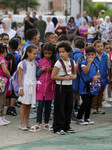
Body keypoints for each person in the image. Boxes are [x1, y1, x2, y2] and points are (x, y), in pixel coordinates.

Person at [30, 42, 56, 132]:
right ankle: (38, 123)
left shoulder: (54, 62)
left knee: (48, 106)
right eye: (46, 53)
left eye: (49, 53)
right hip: (41, 88)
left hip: (50, 87)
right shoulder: (39, 62)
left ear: (53, 53)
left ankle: (46, 123)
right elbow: (36, 74)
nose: (48, 55)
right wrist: (42, 69)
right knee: (40, 106)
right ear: (43, 53)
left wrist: (52, 70)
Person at [51, 41, 76, 135]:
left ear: (68, 52)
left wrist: (74, 76)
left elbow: (75, 73)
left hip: (69, 86)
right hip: (61, 87)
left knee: (69, 107)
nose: (61, 54)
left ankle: (66, 126)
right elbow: (53, 76)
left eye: (63, 52)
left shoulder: (72, 62)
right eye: (59, 52)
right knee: (59, 107)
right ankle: (58, 127)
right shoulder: (58, 63)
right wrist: (64, 78)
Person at [77, 46, 101, 125]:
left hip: (92, 86)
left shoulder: (95, 64)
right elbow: (85, 72)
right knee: (85, 102)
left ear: (95, 55)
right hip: (84, 86)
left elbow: (99, 75)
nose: (90, 56)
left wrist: (97, 77)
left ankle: (87, 117)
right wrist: (89, 63)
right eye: (88, 55)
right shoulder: (83, 63)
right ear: (86, 55)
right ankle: (79, 118)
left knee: (90, 102)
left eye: (92, 54)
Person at [18, 44, 38, 130]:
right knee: (24, 105)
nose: (36, 55)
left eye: (37, 53)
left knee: (29, 104)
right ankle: (22, 123)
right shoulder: (22, 63)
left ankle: (27, 122)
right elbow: (19, 77)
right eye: (34, 53)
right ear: (28, 53)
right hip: (25, 86)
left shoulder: (35, 63)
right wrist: (21, 88)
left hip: (32, 86)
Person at [92, 40, 111, 114]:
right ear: (95, 47)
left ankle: (99, 107)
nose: (100, 48)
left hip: (103, 77)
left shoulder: (106, 55)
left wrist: (109, 77)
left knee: (101, 93)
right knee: (95, 93)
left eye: (101, 46)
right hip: (95, 78)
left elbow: (108, 67)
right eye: (98, 46)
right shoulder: (93, 55)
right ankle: (94, 107)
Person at [0, 43, 11, 125]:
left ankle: (2, 116)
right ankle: (0, 116)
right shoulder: (2, 59)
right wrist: (10, 76)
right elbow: (4, 70)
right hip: (2, 81)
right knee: (1, 99)